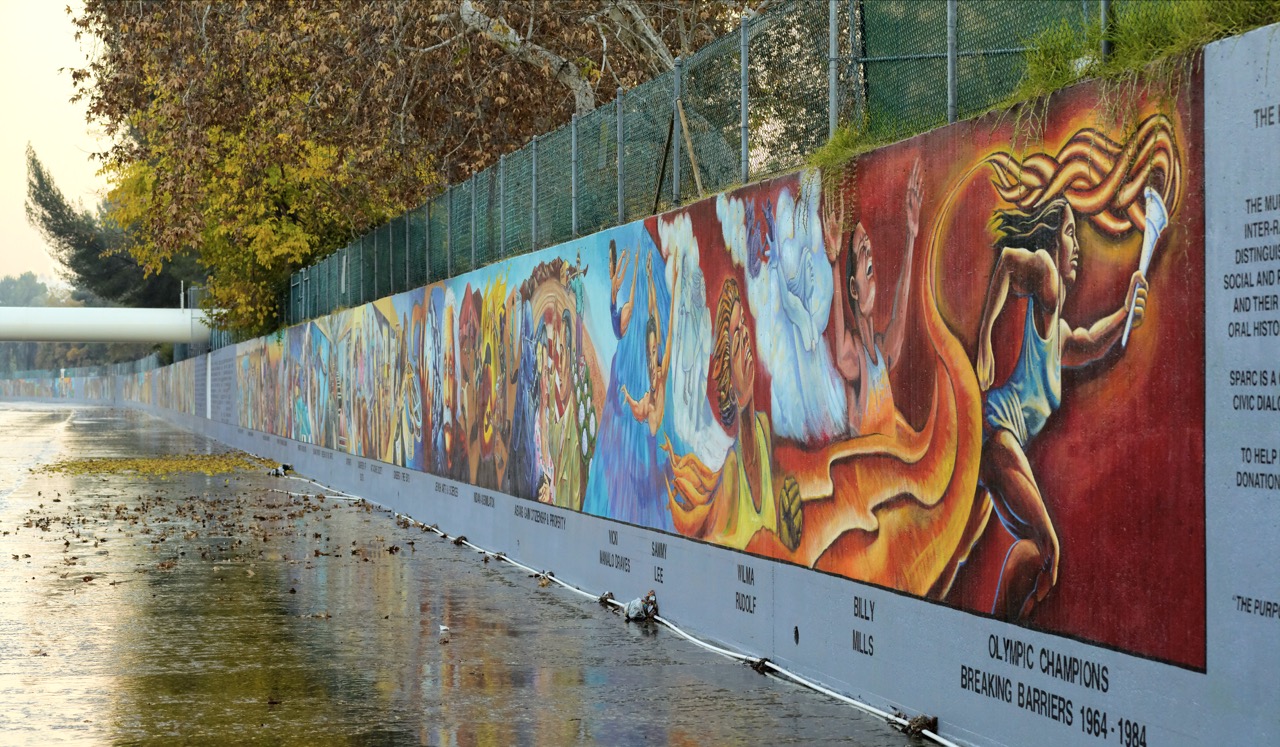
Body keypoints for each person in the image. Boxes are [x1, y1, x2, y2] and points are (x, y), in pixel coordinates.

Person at [975, 197, 1148, 621]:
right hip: (997, 437)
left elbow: (1089, 343)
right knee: (1049, 545)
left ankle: (1001, 622)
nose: (1077, 247)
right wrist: (983, 340)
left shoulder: (1059, 334)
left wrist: (1126, 312)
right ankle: (1003, 625)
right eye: (1070, 233)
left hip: (997, 447)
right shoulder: (1047, 278)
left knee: (1037, 551)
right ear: (1053, 242)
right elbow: (1011, 260)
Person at [823, 157, 923, 436]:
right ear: (854, 288)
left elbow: (899, 317)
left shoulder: (881, 350)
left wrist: (911, 237)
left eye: (868, 245)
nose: (869, 249)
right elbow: (841, 351)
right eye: (862, 249)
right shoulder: (855, 357)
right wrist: (834, 264)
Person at [609, 239, 640, 340]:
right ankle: (635, 266)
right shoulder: (614, 288)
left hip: (618, 328)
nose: (609, 266)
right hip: (618, 328)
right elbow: (618, 274)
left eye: (610, 262)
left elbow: (619, 275)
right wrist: (624, 260)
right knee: (629, 306)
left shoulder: (614, 287)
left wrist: (624, 261)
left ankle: (635, 266)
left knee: (629, 306)